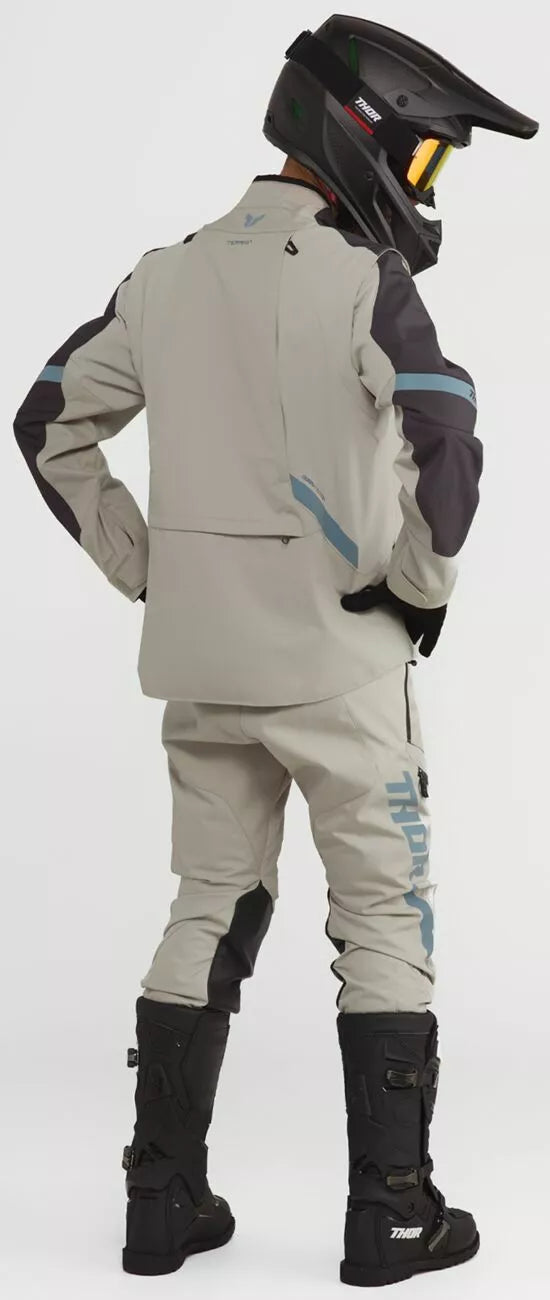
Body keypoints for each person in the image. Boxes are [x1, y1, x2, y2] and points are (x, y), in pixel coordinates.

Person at [13, 14, 538, 1289]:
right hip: (339, 665)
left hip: (201, 668)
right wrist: (416, 587)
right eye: (421, 156)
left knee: (208, 902)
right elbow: (445, 437)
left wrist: (149, 569)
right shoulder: (360, 278)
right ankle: (392, 1214)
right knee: (382, 912)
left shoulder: (164, 275)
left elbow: (45, 423)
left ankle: (159, 1203)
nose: (421, 183)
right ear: (362, 133)